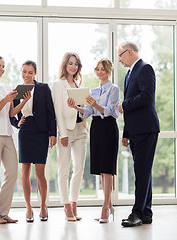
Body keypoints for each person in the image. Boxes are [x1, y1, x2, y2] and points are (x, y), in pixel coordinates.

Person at [67, 58, 119, 223]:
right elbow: (88, 112)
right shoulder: (94, 90)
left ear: (109, 70)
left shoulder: (114, 89)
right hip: (96, 127)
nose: (99, 72)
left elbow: (110, 111)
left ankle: (105, 207)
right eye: (97, 69)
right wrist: (76, 107)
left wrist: (95, 105)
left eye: (103, 69)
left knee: (108, 168)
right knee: (101, 168)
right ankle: (109, 204)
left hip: (109, 127)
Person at [0, 55, 31, 224]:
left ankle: (2, 212)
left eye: (3, 66)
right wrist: (6, 99)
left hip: (7, 134)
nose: (1, 69)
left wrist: (23, 102)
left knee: (12, 172)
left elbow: (10, 113)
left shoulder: (7, 86)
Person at [117, 41, 160, 227]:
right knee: (144, 171)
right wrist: (126, 132)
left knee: (141, 172)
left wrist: (124, 105)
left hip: (146, 128)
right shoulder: (129, 73)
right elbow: (131, 103)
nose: (119, 60)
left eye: (120, 55)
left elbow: (147, 95)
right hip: (135, 130)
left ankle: (136, 213)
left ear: (129, 53)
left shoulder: (145, 68)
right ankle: (146, 212)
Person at [11, 60, 57, 222]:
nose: (26, 75)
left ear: (35, 73)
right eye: (24, 71)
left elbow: (51, 111)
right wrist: (17, 123)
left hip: (41, 132)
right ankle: (28, 207)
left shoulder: (43, 88)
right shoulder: (16, 91)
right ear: (21, 72)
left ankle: (43, 206)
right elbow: (11, 113)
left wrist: (53, 133)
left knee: (40, 172)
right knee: (24, 171)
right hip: (25, 131)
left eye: (30, 72)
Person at [52, 52, 87, 221]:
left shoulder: (79, 85)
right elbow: (58, 110)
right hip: (66, 130)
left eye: (76, 64)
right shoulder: (59, 85)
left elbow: (83, 110)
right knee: (63, 169)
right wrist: (62, 134)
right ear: (65, 65)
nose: (73, 67)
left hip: (81, 130)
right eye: (70, 63)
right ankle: (66, 207)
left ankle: (74, 203)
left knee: (79, 169)